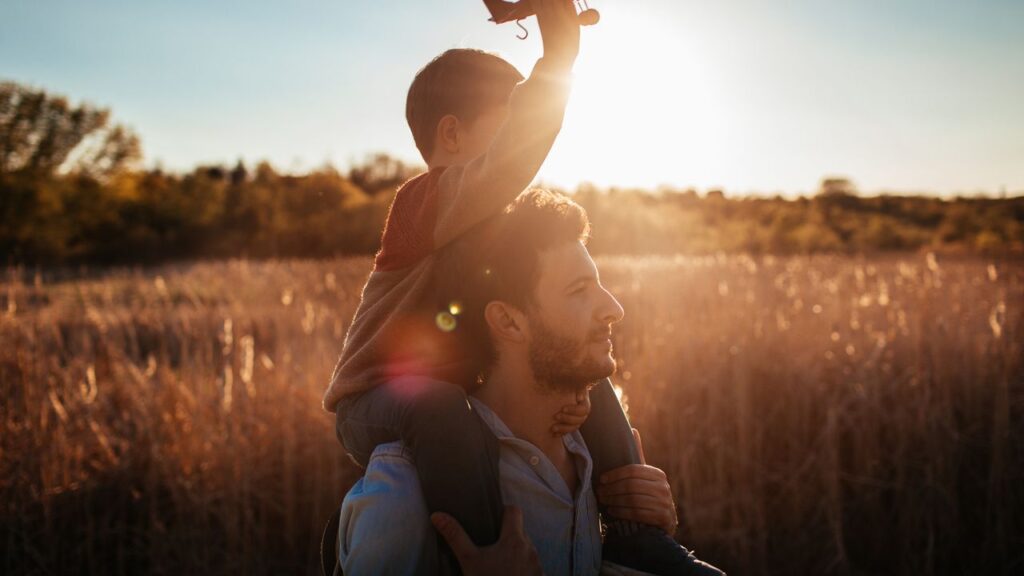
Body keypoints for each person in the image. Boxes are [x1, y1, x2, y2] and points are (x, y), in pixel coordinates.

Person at [324, 0, 713, 572]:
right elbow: (507, 165)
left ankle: (636, 533)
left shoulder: (491, 229)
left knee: (590, 375)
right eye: (508, 122)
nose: (518, 151)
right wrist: (558, 59)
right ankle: (486, 551)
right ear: (451, 135)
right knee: (439, 407)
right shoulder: (422, 203)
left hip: (441, 391)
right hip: (376, 398)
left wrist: (567, 395)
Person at [337, 189, 725, 575]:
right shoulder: (407, 491)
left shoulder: (599, 461)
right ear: (508, 321)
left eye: (599, 284)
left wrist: (649, 536)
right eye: (579, 291)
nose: (614, 309)